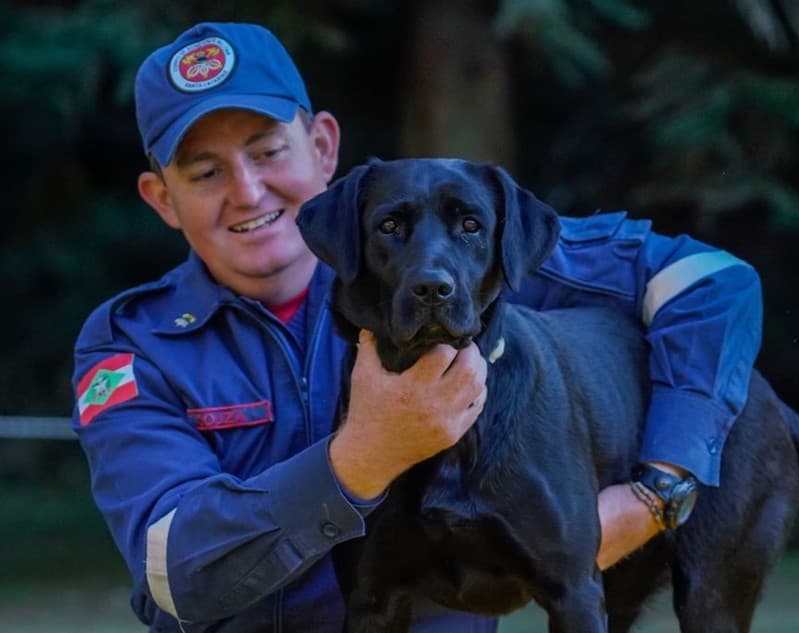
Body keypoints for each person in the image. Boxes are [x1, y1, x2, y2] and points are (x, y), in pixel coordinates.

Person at [70, 21, 762, 633]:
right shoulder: (134, 345)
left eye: (268, 151)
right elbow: (175, 573)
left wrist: (658, 489)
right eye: (205, 171)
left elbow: (712, 285)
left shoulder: (461, 252)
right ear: (162, 197)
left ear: (321, 144)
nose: (248, 191)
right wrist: (363, 457)